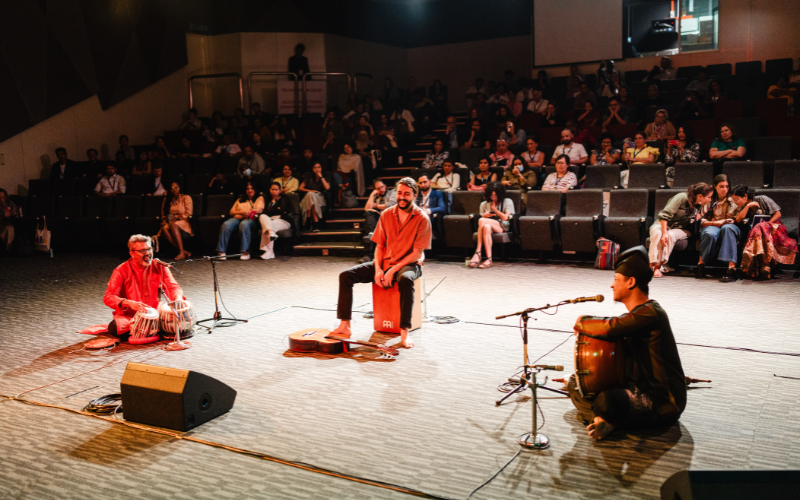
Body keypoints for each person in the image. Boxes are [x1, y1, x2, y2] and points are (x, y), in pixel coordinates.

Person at [566, 245, 686, 440]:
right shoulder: (638, 315)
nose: (612, 285)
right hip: (634, 388)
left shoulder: (651, 312)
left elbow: (611, 327)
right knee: (575, 383)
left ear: (630, 282)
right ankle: (606, 420)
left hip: (662, 401)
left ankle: (607, 419)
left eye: (615, 279)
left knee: (607, 401)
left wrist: (582, 321)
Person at [331, 178, 431, 349]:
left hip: (409, 264)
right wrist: (378, 269)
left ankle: (404, 331)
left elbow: (417, 253)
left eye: (407, 194)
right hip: (385, 262)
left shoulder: (422, 218)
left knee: (406, 279)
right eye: (400, 193)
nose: (402, 197)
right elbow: (380, 245)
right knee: (345, 275)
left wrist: (392, 271)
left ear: (414, 195)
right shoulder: (386, 214)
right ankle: (345, 325)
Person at [103, 235, 186, 339]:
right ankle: (155, 330)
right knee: (115, 328)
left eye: (149, 249)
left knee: (182, 319)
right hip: (131, 316)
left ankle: (147, 331)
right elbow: (108, 297)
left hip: (156, 313)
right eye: (142, 251)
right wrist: (130, 303)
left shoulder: (159, 266)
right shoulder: (121, 270)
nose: (147, 253)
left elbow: (173, 287)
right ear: (131, 253)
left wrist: (178, 298)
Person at [732, 185, 798, 279]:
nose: (735, 202)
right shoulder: (743, 206)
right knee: (758, 230)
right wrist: (747, 206)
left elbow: (778, 214)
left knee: (760, 227)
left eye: (736, 199)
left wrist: (766, 225)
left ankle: (752, 254)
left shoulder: (763, 199)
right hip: (758, 233)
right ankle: (764, 266)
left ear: (745, 196)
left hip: (775, 227)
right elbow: (738, 219)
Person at [649, 183, 713, 277]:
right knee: (658, 233)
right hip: (662, 224)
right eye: (708, 197)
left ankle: (659, 266)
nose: (710, 200)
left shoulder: (700, 206)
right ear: (700, 196)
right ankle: (652, 266)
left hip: (682, 229)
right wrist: (664, 233)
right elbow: (664, 216)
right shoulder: (682, 197)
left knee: (671, 235)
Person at [697, 175, 740, 282]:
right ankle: (701, 264)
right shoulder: (709, 200)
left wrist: (734, 220)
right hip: (713, 225)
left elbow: (741, 216)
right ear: (714, 186)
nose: (725, 189)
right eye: (721, 186)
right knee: (709, 233)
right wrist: (715, 223)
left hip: (731, 226)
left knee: (727, 229)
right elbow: (700, 220)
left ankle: (731, 268)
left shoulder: (734, 199)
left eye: (727, 186)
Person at [467, 182, 514, 269]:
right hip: (489, 224)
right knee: (486, 227)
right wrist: (484, 216)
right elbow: (483, 220)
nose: (493, 197)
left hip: (503, 226)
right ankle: (489, 259)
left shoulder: (508, 201)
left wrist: (494, 210)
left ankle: (478, 252)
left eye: (495, 195)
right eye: (491, 195)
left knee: (481, 220)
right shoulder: (484, 204)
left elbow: (506, 218)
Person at [217, 182, 265, 260]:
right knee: (226, 224)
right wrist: (242, 213)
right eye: (247, 189)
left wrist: (242, 214)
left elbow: (259, 210)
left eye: (251, 188)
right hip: (238, 218)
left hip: (251, 220)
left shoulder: (259, 198)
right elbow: (231, 212)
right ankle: (221, 251)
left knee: (244, 223)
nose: (249, 190)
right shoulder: (239, 200)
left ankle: (245, 252)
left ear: (255, 190)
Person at [258, 182, 296, 260]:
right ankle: (271, 233)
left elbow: (283, 210)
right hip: (270, 220)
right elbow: (264, 213)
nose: (274, 191)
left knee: (267, 225)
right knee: (262, 217)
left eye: (276, 190)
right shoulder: (268, 199)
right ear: (269, 190)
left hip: (284, 221)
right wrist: (276, 209)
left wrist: (274, 210)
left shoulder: (284, 197)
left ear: (279, 190)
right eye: (272, 189)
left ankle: (269, 252)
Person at [361, 179, 397, 262]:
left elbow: (390, 205)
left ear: (385, 185)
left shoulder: (392, 192)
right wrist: (372, 195)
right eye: (378, 188)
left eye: (382, 187)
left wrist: (376, 206)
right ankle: (368, 254)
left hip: (389, 218)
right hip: (378, 219)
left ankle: (371, 235)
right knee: (369, 213)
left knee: (371, 220)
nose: (381, 190)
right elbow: (367, 209)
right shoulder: (376, 197)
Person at [160, 182, 193, 260]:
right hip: (171, 221)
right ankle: (184, 251)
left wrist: (177, 218)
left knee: (174, 225)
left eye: (176, 187)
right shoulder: (166, 200)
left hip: (184, 221)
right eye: (172, 188)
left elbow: (188, 213)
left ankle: (181, 253)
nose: (174, 190)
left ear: (180, 188)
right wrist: (164, 220)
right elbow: (163, 214)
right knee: (164, 229)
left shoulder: (186, 197)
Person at [299, 162, 330, 232]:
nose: (317, 169)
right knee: (310, 195)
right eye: (315, 167)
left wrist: (321, 177)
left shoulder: (325, 176)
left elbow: (327, 188)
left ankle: (309, 219)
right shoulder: (309, 176)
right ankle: (316, 223)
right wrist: (310, 191)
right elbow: (300, 188)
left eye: (319, 167)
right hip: (309, 196)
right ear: (312, 169)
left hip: (320, 197)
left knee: (311, 197)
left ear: (321, 168)